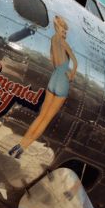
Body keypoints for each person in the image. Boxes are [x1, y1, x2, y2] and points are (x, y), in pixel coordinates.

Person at [9, 15, 77, 159]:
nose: (65, 33)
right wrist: (71, 75)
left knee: (40, 116)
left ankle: (19, 144)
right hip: (63, 80)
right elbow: (75, 61)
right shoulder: (63, 42)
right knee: (46, 119)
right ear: (60, 29)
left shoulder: (53, 40)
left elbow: (53, 59)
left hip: (54, 77)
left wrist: (58, 70)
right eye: (64, 30)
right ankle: (23, 149)